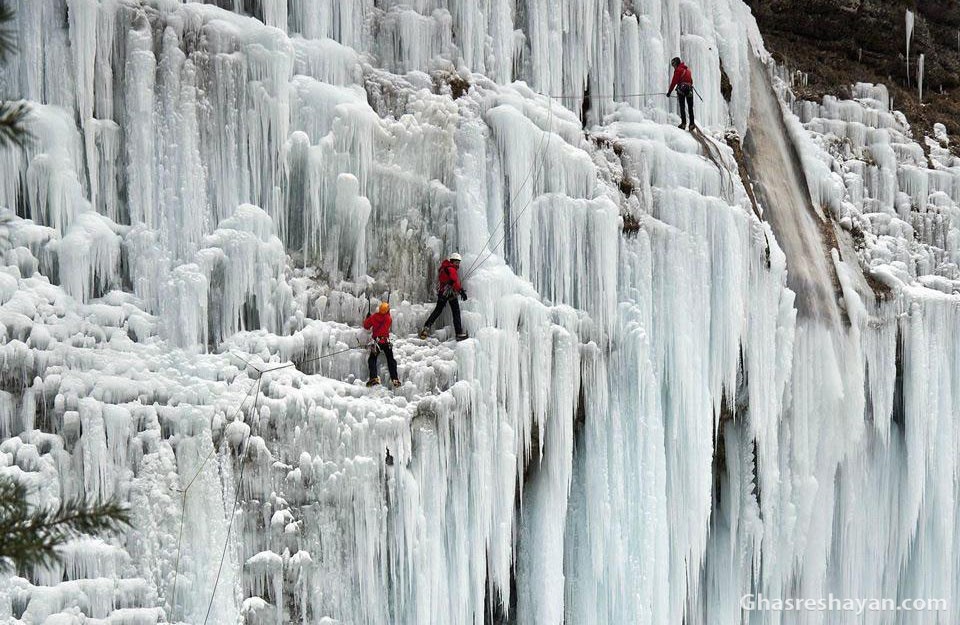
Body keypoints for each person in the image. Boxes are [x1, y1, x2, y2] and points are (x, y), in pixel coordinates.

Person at [419, 253, 468, 341]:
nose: (458, 265)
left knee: (437, 311)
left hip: (443, 293)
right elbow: (454, 281)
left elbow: (445, 280)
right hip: (450, 293)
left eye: (458, 263)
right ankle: (458, 333)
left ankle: (426, 327)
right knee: (456, 312)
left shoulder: (443, 268)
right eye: (456, 262)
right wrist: (461, 291)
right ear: (452, 261)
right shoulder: (451, 269)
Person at [363, 302, 400, 387]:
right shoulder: (388, 318)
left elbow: (366, 326)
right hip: (386, 342)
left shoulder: (374, 317)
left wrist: (368, 318)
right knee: (391, 360)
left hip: (377, 342)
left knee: (372, 359)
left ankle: (373, 377)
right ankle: (395, 378)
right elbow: (387, 322)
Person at [666, 57, 695, 130]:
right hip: (690, 89)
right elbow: (691, 81)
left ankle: (683, 124)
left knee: (682, 107)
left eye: (673, 64)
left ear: (676, 63)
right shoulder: (687, 70)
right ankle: (692, 124)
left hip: (682, 90)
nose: (673, 66)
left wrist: (669, 92)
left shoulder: (678, 70)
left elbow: (674, 82)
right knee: (690, 107)